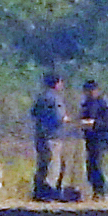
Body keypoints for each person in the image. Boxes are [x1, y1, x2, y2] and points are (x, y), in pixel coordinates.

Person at [31, 73, 69, 202]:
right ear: (57, 83)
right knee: (54, 164)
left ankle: (38, 191)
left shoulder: (41, 97)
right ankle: (49, 192)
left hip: (40, 135)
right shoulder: (55, 99)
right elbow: (60, 117)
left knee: (42, 163)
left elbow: (34, 113)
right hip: (53, 136)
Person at [78, 80, 108, 199]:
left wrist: (95, 123)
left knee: (98, 163)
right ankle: (96, 190)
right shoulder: (86, 104)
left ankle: (104, 189)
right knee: (90, 164)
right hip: (90, 138)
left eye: (92, 90)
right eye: (88, 91)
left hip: (101, 137)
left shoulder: (103, 104)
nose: (90, 93)